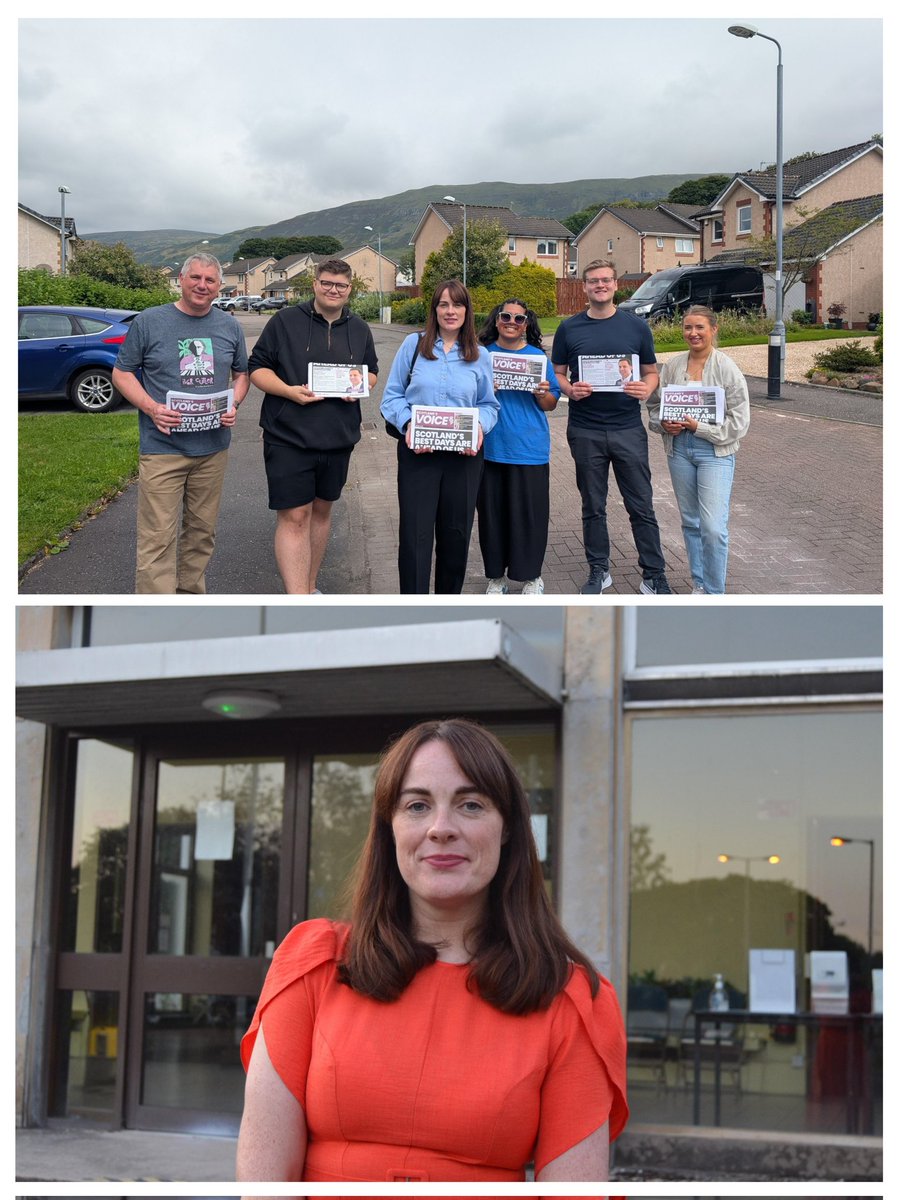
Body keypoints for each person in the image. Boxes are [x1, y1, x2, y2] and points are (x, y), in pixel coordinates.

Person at [237, 718, 628, 1182]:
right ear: (391, 829)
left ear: (507, 829)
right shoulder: (313, 964)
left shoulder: (573, 1002)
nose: (441, 828)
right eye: (418, 805)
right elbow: (264, 1185)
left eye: (471, 804)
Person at [112, 252, 249, 594]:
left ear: (219, 287)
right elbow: (122, 373)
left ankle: (190, 601)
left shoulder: (229, 326)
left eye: (210, 280)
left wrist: (235, 401)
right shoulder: (150, 321)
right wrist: (152, 407)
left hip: (213, 450)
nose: (202, 285)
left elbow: (242, 374)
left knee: (202, 534)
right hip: (163, 449)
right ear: (182, 280)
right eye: (195, 278)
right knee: (157, 537)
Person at [249, 258, 378, 594]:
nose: (333, 290)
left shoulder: (360, 328)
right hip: (288, 436)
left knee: (321, 512)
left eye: (340, 285)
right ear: (315, 284)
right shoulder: (285, 321)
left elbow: (371, 371)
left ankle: (309, 587)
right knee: (295, 516)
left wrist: (360, 388)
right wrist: (289, 392)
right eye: (327, 283)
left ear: (350, 289)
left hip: (338, 437)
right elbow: (258, 369)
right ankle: (297, 598)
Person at [552, 259, 672, 595]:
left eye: (605, 280)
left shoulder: (635, 327)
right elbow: (558, 373)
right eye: (593, 281)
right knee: (593, 504)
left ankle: (654, 574)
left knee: (641, 504)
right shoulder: (569, 328)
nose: (600, 286)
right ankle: (598, 570)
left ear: (616, 284)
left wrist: (647, 388)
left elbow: (651, 371)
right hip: (585, 428)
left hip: (627, 428)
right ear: (585, 287)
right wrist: (568, 389)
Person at [380, 280, 499, 593]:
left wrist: (478, 428)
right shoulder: (414, 345)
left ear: (466, 310)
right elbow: (391, 397)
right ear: (434, 309)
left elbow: (489, 405)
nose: (450, 311)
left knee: (456, 535)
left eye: (457, 304)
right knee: (415, 536)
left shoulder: (480, 355)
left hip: (464, 460)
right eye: (443, 304)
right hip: (419, 458)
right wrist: (410, 427)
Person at [648, 305, 750, 594]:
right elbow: (655, 407)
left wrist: (700, 428)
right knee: (691, 522)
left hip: (714, 452)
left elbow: (740, 421)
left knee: (714, 527)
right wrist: (663, 424)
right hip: (679, 449)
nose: (693, 333)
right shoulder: (673, 366)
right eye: (688, 327)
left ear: (713, 329)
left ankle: (715, 593)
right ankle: (700, 585)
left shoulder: (726, 368)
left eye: (699, 327)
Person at [476, 298, 560, 595]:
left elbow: (550, 404)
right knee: (492, 517)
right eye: (506, 316)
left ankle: (531, 577)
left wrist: (541, 394)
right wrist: (486, 388)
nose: (512, 322)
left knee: (529, 517)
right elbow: (467, 396)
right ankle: (496, 577)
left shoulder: (538, 358)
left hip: (529, 448)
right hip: (490, 447)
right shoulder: (481, 356)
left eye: (519, 318)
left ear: (527, 324)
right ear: (496, 320)